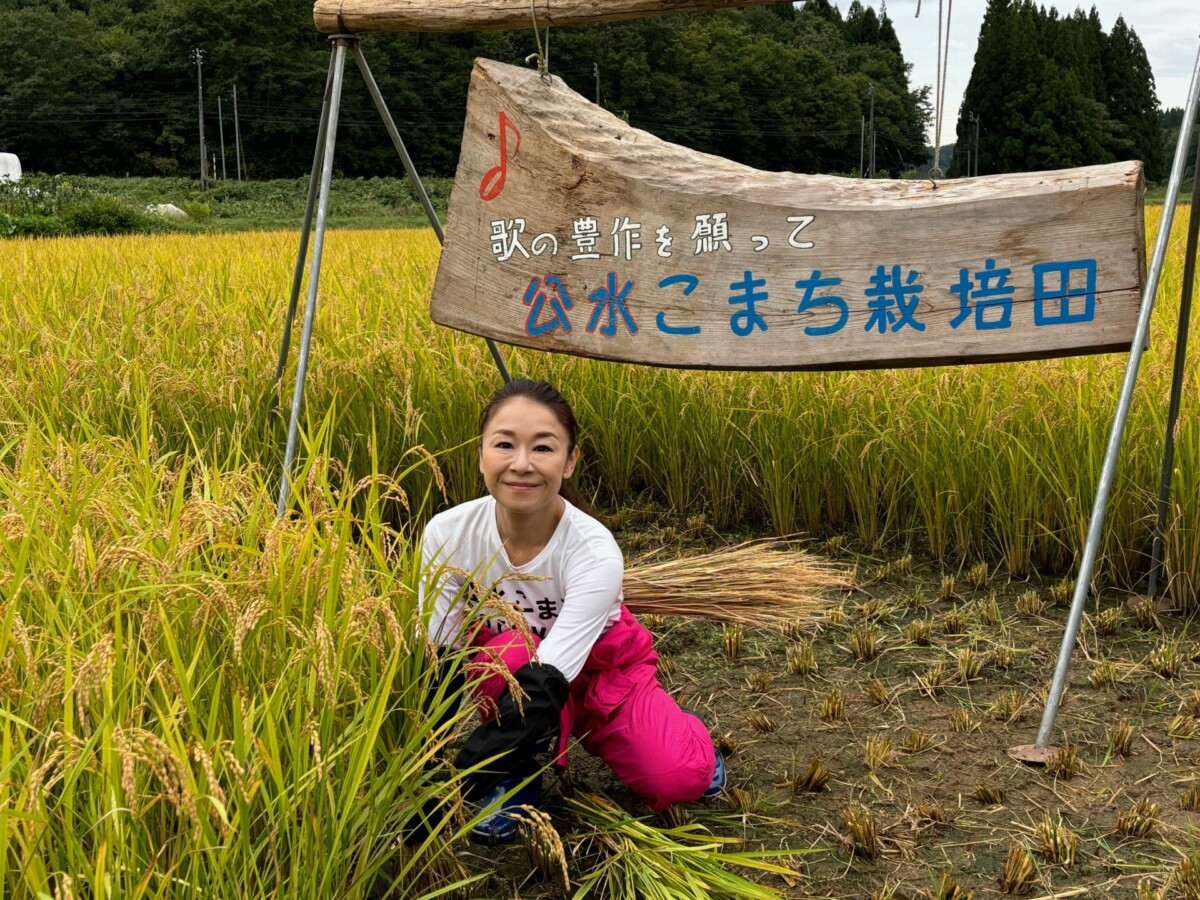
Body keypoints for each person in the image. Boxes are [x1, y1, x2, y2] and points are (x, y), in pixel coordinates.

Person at [418, 378, 725, 845]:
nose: (521, 464)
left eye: (543, 448)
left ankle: (682, 733)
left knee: (679, 779)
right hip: (512, 669)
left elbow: (549, 679)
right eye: (504, 444)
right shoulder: (448, 533)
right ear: (481, 455)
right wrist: (422, 770)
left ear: (569, 460)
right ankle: (515, 775)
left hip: (599, 674)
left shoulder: (594, 548)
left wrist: (460, 781)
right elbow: (440, 656)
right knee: (509, 653)